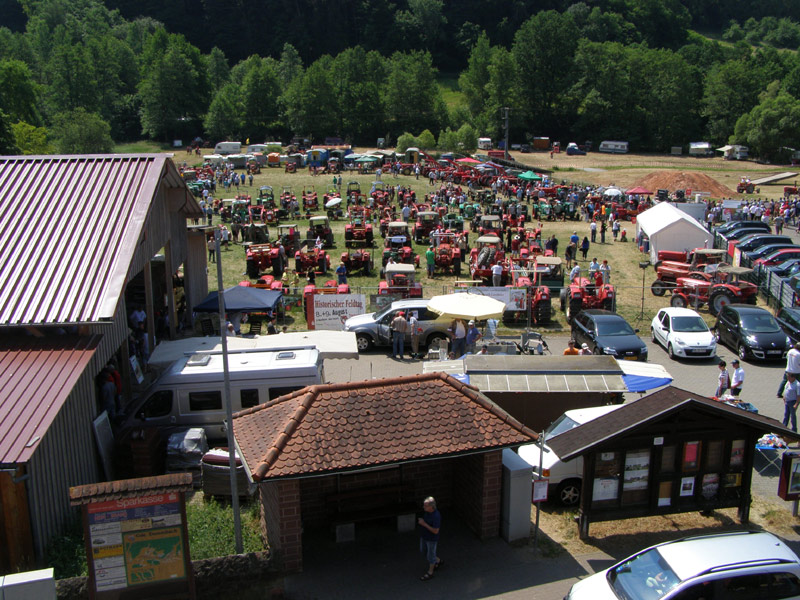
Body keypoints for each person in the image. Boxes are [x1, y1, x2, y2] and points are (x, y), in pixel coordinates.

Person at [418, 496, 442, 581]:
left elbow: (435, 531)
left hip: (431, 539)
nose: (423, 507)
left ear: (431, 507)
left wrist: (424, 524)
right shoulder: (427, 512)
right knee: (424, 551)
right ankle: (438, 560)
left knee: (430, 555)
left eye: (425, 505)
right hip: (424, 536)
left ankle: (430, 572)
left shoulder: (436, 516)